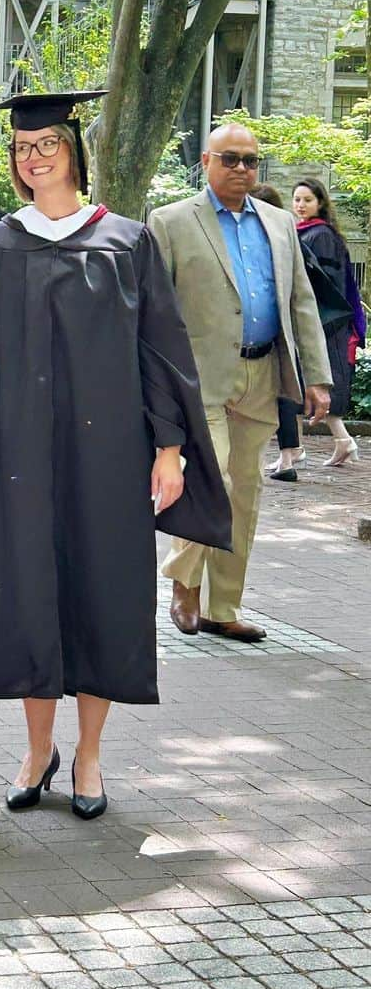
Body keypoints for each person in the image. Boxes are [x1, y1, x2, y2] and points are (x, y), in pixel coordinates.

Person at [0, 92, 229, 821]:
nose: (34, 158)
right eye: (23, 148)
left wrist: (170, 446)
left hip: (110, 455)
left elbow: (160, 348)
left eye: (48, 144)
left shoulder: (126, 240)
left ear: (73, 152)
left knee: (101, 596)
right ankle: (38, 750)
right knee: (28, 597)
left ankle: (89, 755)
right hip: (19, 454)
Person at [150, 123, 331, 643]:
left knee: (245, 494)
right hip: (199, 380)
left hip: (261, 372)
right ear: (206, 160)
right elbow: (156, 312)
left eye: (250, 160)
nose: (242, 169)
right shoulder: (170, 222)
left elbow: (301, 301)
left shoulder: (278, 223)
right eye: (230, 159)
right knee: (215, 483)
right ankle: (184, 582)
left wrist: (316, 376)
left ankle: (223, 606)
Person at [272, 178, 365, 475]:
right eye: (296, 199)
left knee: (311, 381)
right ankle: (298, 448)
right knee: (296, 383)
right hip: (312, 319)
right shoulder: (304, 232)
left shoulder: (320, 235)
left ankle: (336, 440)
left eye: (307, 200)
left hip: (323, 322)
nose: (300, 205)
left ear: (320, 203)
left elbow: (323, 284)